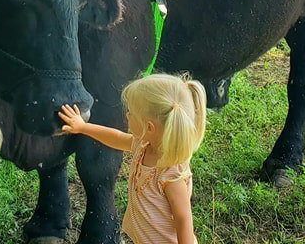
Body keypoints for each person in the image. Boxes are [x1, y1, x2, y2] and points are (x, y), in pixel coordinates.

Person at [58, 73, 206, 244]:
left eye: (132, 113)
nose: (127, 115)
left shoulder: (172, 175)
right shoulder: (144, 145)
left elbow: (183, 220)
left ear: (149, 127)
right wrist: (83, 127)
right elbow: (118, 138)